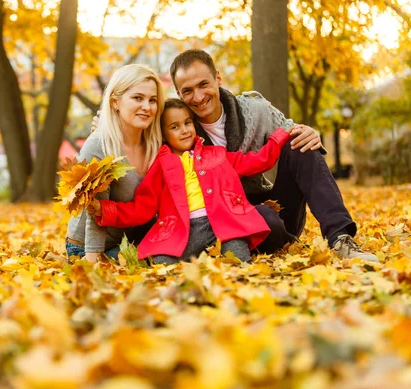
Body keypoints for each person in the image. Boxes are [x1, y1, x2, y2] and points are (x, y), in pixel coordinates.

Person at [167, 49, 377, 262]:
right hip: (220, 225)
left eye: (203, 84)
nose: (199, 97)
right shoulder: (176, 133)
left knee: (299, 143)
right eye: (188, 91)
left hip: (272, 208)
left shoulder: (255, 110)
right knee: (265, 219)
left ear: (218, 78)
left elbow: (290, 130)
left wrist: (309, 133)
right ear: (178, 94)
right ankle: (270, 245)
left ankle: (340, 237)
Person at [88, 99, 301, 264]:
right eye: (175, 126)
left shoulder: (217, 155)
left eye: (187, 122)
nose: (184, 130)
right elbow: (142, 208)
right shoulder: (161, 165)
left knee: (238, 259)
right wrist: (105, 210)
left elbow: (256, 162)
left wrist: (279, 137)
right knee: (162, 264)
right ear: (162, 133)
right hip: (181, 231)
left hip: (223, 225)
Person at [65, 64, 165, 263]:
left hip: (131, 237)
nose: (147, 106)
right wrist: (93, 260)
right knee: (149, 262)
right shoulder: (99, 145)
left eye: (152, 100)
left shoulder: (156, 143)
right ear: (115, 102)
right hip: (89, 245)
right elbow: (94, 209)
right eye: (138, 98)